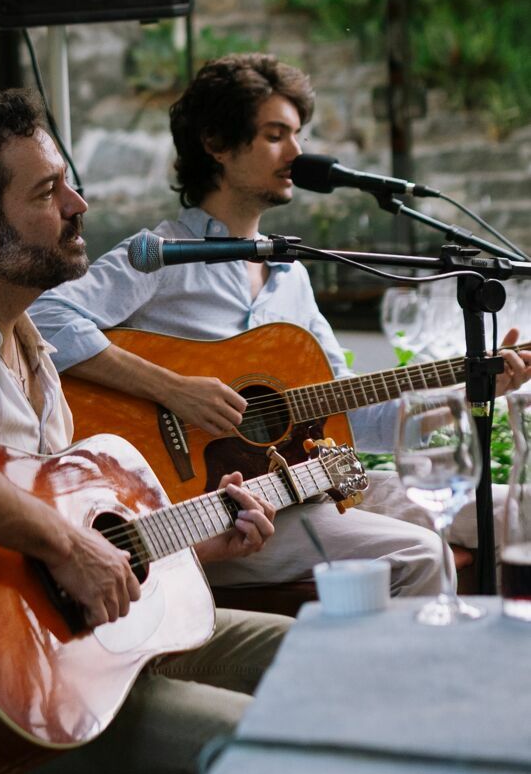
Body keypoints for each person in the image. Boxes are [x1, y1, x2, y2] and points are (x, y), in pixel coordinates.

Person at [0, 89, 290, 774]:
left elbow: (59, 550)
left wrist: (190, 538)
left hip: (82, 657)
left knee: (324, 657)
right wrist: (69, 545)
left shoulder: (26, 340)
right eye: (48, 193)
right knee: (272, 749)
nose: (78, 206)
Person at [30, 54, 530, 596]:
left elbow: (356, 418)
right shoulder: (160, 256)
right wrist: (173, 390)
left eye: (296, 134)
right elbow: (43, 319)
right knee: (417, 554)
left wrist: (474, 386)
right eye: (275, 135)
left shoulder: (290, 277)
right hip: (207, 510)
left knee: (520, 511)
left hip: (308, 484)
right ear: (217, 144)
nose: (296, 152)